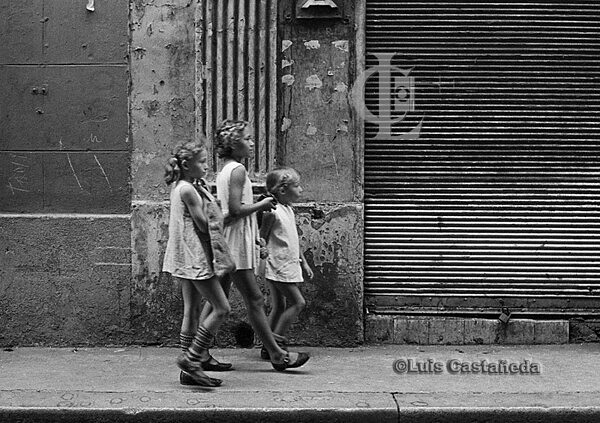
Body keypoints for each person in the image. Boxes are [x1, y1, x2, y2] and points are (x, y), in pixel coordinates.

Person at [215, 119, 310, 371]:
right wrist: (263, 204)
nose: (252, 143)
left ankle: (196, 353)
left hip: (228, 241)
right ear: (234, 144)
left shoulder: (225, 171)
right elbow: (235, 210)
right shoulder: (238, 171)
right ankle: (277, 353)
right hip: (235, 243)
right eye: (247, 138)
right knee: (255, 300)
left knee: (218, 302)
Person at [162, 141, 234, 387]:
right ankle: (192, 358)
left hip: (184, 257)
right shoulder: (189, 190)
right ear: (186, 165)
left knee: (191, 309)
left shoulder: (181, 186)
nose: (206, 166)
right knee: (222, 308)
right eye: (202, 162)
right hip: (195, 257)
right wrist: (222, 212)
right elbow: (204, 225)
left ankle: (189, 371)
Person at [258, 168, 314, 360]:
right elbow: (262, 237)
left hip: (289, 264)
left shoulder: (288, 209)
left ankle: (268, 346)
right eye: (296, 186)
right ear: (282, 190)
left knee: (279, 306)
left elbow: (293, 239)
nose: (301, 190)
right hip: (279, 265)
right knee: (298, 302)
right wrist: (262, 251)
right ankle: (277, 342)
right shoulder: (272, 212)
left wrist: (304, 262)